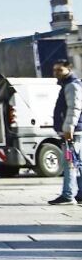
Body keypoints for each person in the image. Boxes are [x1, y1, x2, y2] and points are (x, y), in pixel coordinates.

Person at [48, 60, 82, 205]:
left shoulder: (72, 85)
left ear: (69, 69)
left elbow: (74, 108)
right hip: (75, 130)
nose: (56, 73)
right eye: (54, 70)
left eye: (60, 70)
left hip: (72, 131)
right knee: (77, 162)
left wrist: (68, 128)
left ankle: (68, 195)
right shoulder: (68, 85)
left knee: (70, 163)